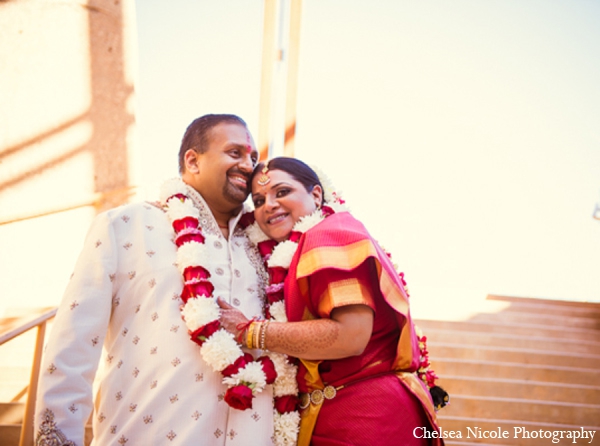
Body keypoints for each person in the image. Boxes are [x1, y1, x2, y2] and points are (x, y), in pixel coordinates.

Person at [34, 114, 276, 445]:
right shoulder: (126, 226)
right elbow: (72, 348)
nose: (249, 165)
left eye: (253, 157)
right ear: (193, 160)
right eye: (235, 153)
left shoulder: (269, 247)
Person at [218, 157, 445, 446]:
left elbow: (350, 336)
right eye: (259, 200)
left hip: (367, 417)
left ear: (316, 194)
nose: (269, 205)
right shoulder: (307, 244)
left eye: (283, 192)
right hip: (347, 412)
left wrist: (248, 331)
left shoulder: (327, 236)